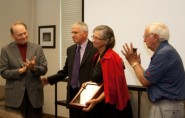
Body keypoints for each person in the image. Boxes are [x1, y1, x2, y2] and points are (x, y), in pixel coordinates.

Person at [122, 22, 185, 118]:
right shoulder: (165, 51)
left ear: (155, 37)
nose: (144, 40)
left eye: (145, 36)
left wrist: (134, 63)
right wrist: (137, 64)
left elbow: (145, 81)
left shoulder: (163, 54)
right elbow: (148, 77)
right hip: (167, 107)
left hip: (167, 108)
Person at [41, 21, 97, 118]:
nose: (72, 35)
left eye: (75, 32)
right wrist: (49, 79)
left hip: (87, 93)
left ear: (85, 34)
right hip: (72, 92)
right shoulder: (70, 49)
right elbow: (66, 71)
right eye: (72, 32)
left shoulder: (95, 49)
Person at [82, 25, 133, 118]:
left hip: (111, 106)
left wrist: (97, 100)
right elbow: (101, 79)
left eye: (97, 38)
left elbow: (112, 87)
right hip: (101, 102)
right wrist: (89, 83)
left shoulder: (111, 58)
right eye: (93, 37)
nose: (93, 40)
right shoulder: (97, 56)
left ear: (106, 41)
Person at [0, 21, 48, 118]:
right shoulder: (6, 49)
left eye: (25, 33)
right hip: (14, 96)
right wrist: (21, 70)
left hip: (35, 95)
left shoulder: (37, 48)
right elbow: (3, 72)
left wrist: (33, 68)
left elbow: (44, 69)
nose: (23, 36)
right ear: (13, 36)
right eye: (20, 35)